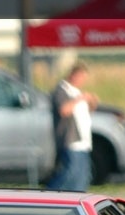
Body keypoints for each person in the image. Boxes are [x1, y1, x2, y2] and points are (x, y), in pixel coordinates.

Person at [45, 63, 99, 192]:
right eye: (81, 77)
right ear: (73, 75)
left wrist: (91, 101)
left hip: (83, 141)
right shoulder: (62, 90)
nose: (82, 81)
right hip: (70, 139)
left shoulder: (77, 92)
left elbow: (86, 112)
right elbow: (63, 110)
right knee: (69, 173)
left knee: (83, 176)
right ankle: (50, 194)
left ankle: (77, 199)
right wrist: (79, 99)